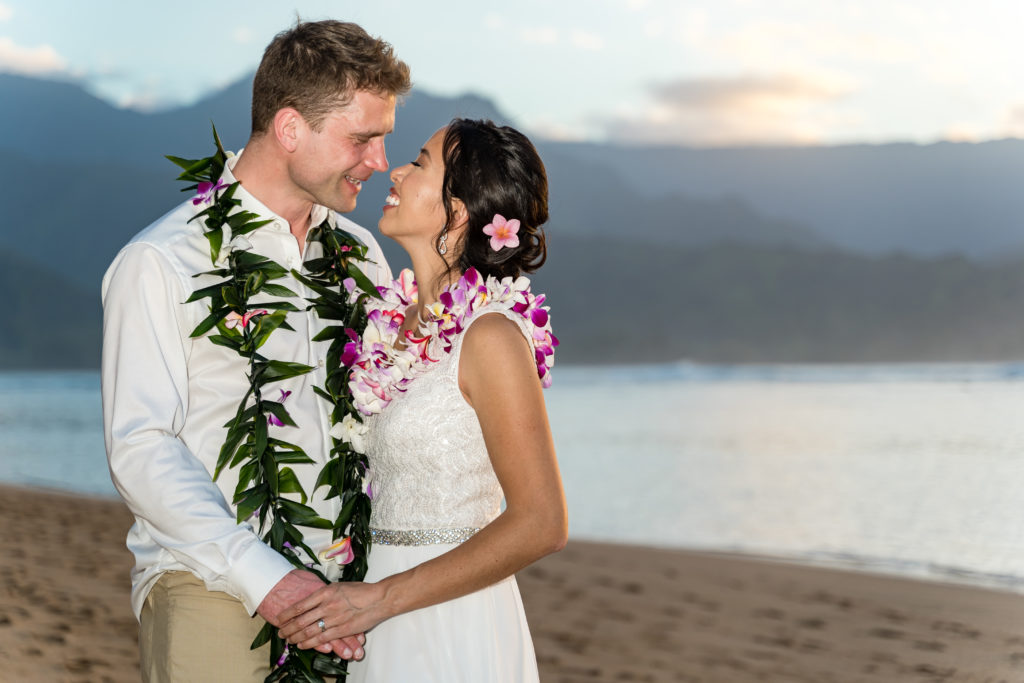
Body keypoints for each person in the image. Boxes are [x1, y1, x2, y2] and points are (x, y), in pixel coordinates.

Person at [100, 21, 410, 682]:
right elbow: (141, 445)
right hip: (212, 589)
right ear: (290, 128)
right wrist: (267, 578)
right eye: (362, 138)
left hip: (351, 600)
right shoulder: (161, 260)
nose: (380, 161)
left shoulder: (362, 257)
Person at [276, 119, 568, 681]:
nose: (396, 172)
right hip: (374, 609)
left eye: (420, 163)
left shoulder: (490, 336)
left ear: (457, 211)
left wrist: (382, 597)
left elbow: (542, 522)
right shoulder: (390, 325)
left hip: (450, 616)